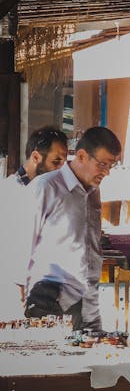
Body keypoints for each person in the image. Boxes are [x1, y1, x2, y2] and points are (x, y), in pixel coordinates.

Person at [19, 126, 122, 391]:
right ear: (81, 156)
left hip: (86, 301)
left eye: (111, 166)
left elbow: (90, 249)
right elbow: (20, 247)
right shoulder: (44, 188)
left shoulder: (93, 191)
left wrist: (93, 308)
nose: (106, 172)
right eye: (103, 164)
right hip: (47, 302)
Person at [0, 126, 69, 319]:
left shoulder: (51, 191)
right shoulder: (9, 192)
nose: (61, 169)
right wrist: (18, 287)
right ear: (36, 157)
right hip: (13, 293)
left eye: (64, 163)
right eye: (56, 162)